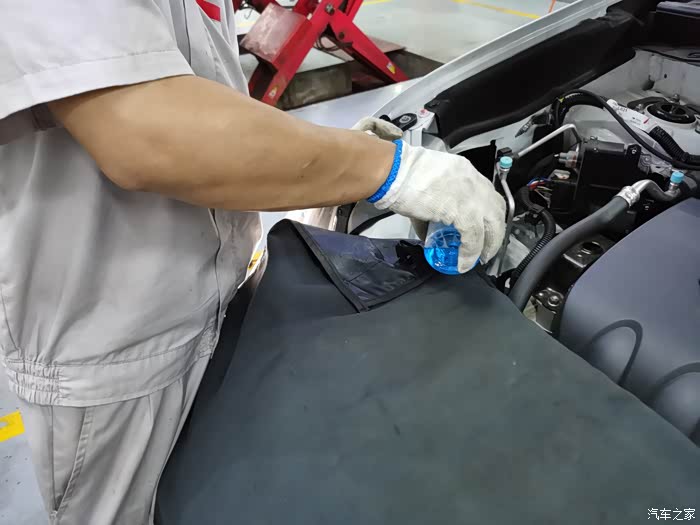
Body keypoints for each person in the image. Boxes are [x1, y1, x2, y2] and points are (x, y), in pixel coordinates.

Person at [0, 2, 506, 524]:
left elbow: (197, 88)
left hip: (219, 295)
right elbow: (142, 127)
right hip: (116, 348)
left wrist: (333, 158)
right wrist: (387, 169)